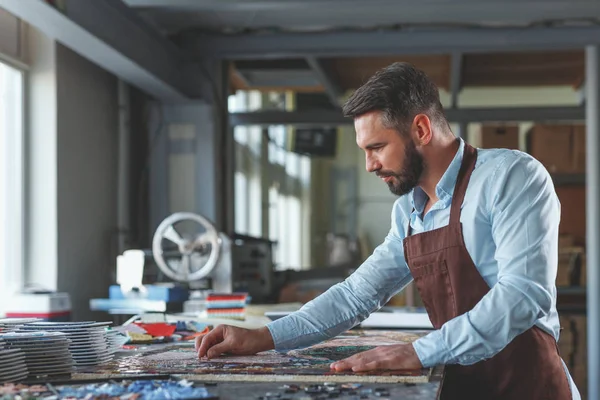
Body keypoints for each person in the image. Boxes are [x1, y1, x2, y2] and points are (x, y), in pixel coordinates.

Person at [196, 62, 580, 399]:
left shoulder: (510, 177)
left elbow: (521, 296)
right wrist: (264, 336)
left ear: (421, 129)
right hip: (460, 384)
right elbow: (355, 296)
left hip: (527, 387)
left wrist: (419, 352)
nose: (369, 165)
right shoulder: (408, 214)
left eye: (377, 147)